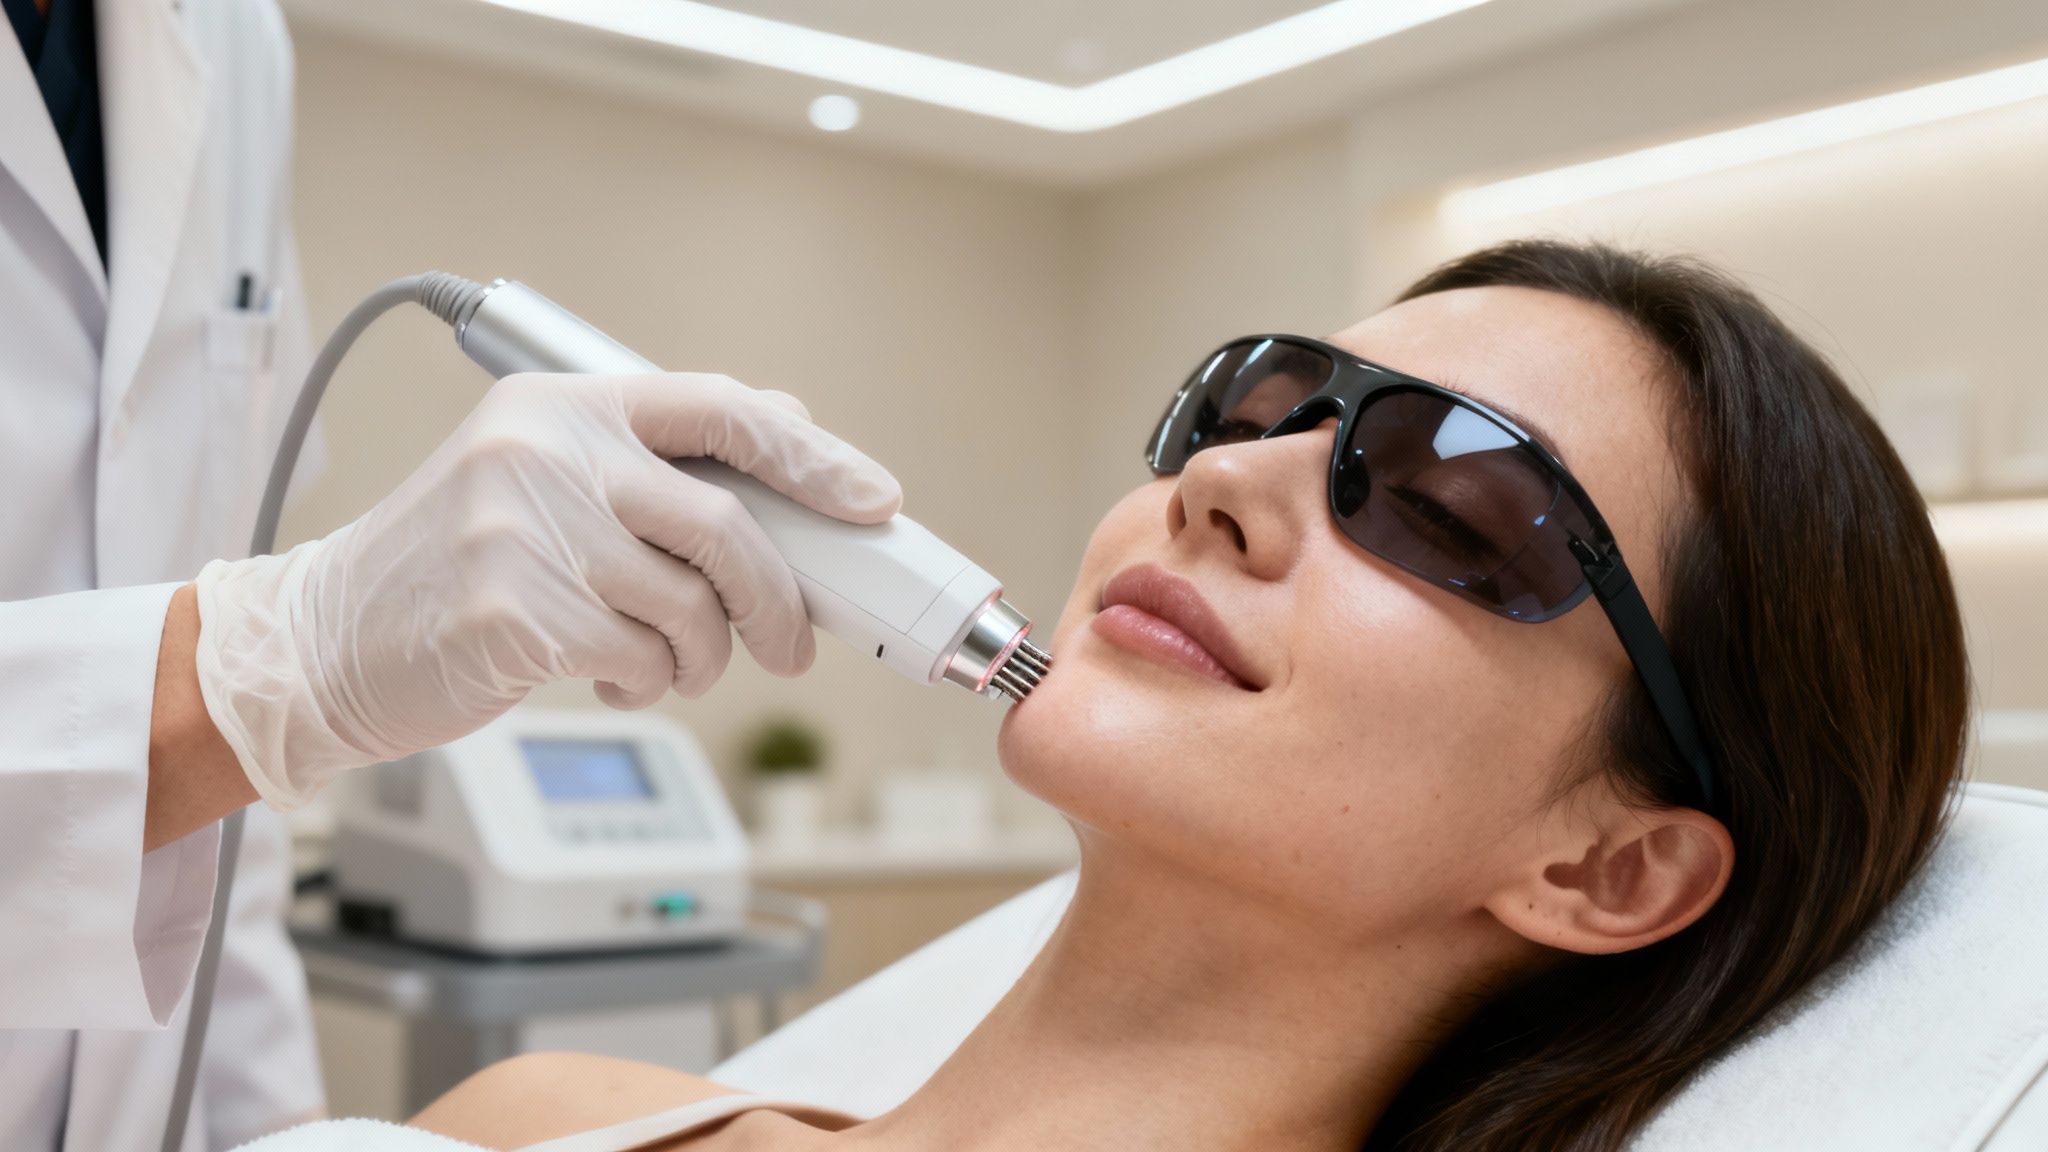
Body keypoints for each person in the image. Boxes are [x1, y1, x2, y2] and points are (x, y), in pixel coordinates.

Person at [393, 240, 1969, 1152]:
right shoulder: (540, 1114)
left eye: (1445, 507)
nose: (1222, 477)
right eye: (1255, 404)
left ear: (1606, 868)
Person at [0, 2, 898, 1149]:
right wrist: (278, 655)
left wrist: (285, 1128)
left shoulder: (229, 39)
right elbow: (218, 703)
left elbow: (224, 825)